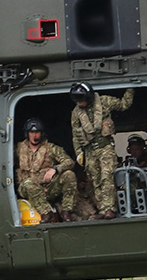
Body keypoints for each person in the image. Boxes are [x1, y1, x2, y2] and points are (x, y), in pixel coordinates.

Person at [70, 83, 133, 219]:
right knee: (95, 181)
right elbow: (75, 135)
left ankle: (109, 209)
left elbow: (124, 104)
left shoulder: (104, 102)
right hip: (89, 150)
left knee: (107, 177)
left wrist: (130, 86)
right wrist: (79, 153)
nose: (80, 103)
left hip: (105, 147)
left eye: (82, 100)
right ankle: (102, 210)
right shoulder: (76, 113)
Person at [16, 117, 78, 223]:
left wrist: (55, 169)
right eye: (32, 132)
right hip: (28, 188)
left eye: (37, 132)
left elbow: (69, 162)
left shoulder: (51, 148)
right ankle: (46, 213)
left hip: (48, 187)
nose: (35, 135)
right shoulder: (19, 148)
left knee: (69, 175)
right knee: (28, 183)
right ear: (27, 133)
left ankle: (66, 211)